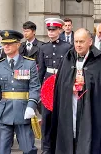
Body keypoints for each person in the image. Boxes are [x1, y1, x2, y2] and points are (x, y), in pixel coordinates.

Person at [50, 28, 101, 154]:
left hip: (90, 108)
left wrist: (88, 83)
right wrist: (70, 86)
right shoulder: (67, 59)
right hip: (70, 105)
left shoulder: (98, 60)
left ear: (90, 41)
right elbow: (60, 84)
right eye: (76, 41)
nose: (78, 45)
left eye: (81, 42)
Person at [0, 30, 41, 154]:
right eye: (4, 44)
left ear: (18, 44)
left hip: (23, 110)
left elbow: (35, 87)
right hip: (4, 111)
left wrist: (31, 106)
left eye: (10, 43)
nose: (6, 46)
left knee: (28, 149)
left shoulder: (28, 64)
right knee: (2, 149)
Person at [38, 18, 72, 154]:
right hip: (47, 83)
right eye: (49, 30)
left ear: (59, 30)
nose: (51, 32)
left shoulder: (67, 47)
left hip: (60, 82)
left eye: (54, 30)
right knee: (46, 117)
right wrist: (39, 90)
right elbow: (41, 70)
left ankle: (60, 146)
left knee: (60, 116)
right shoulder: (43, 47)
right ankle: (46, 147)